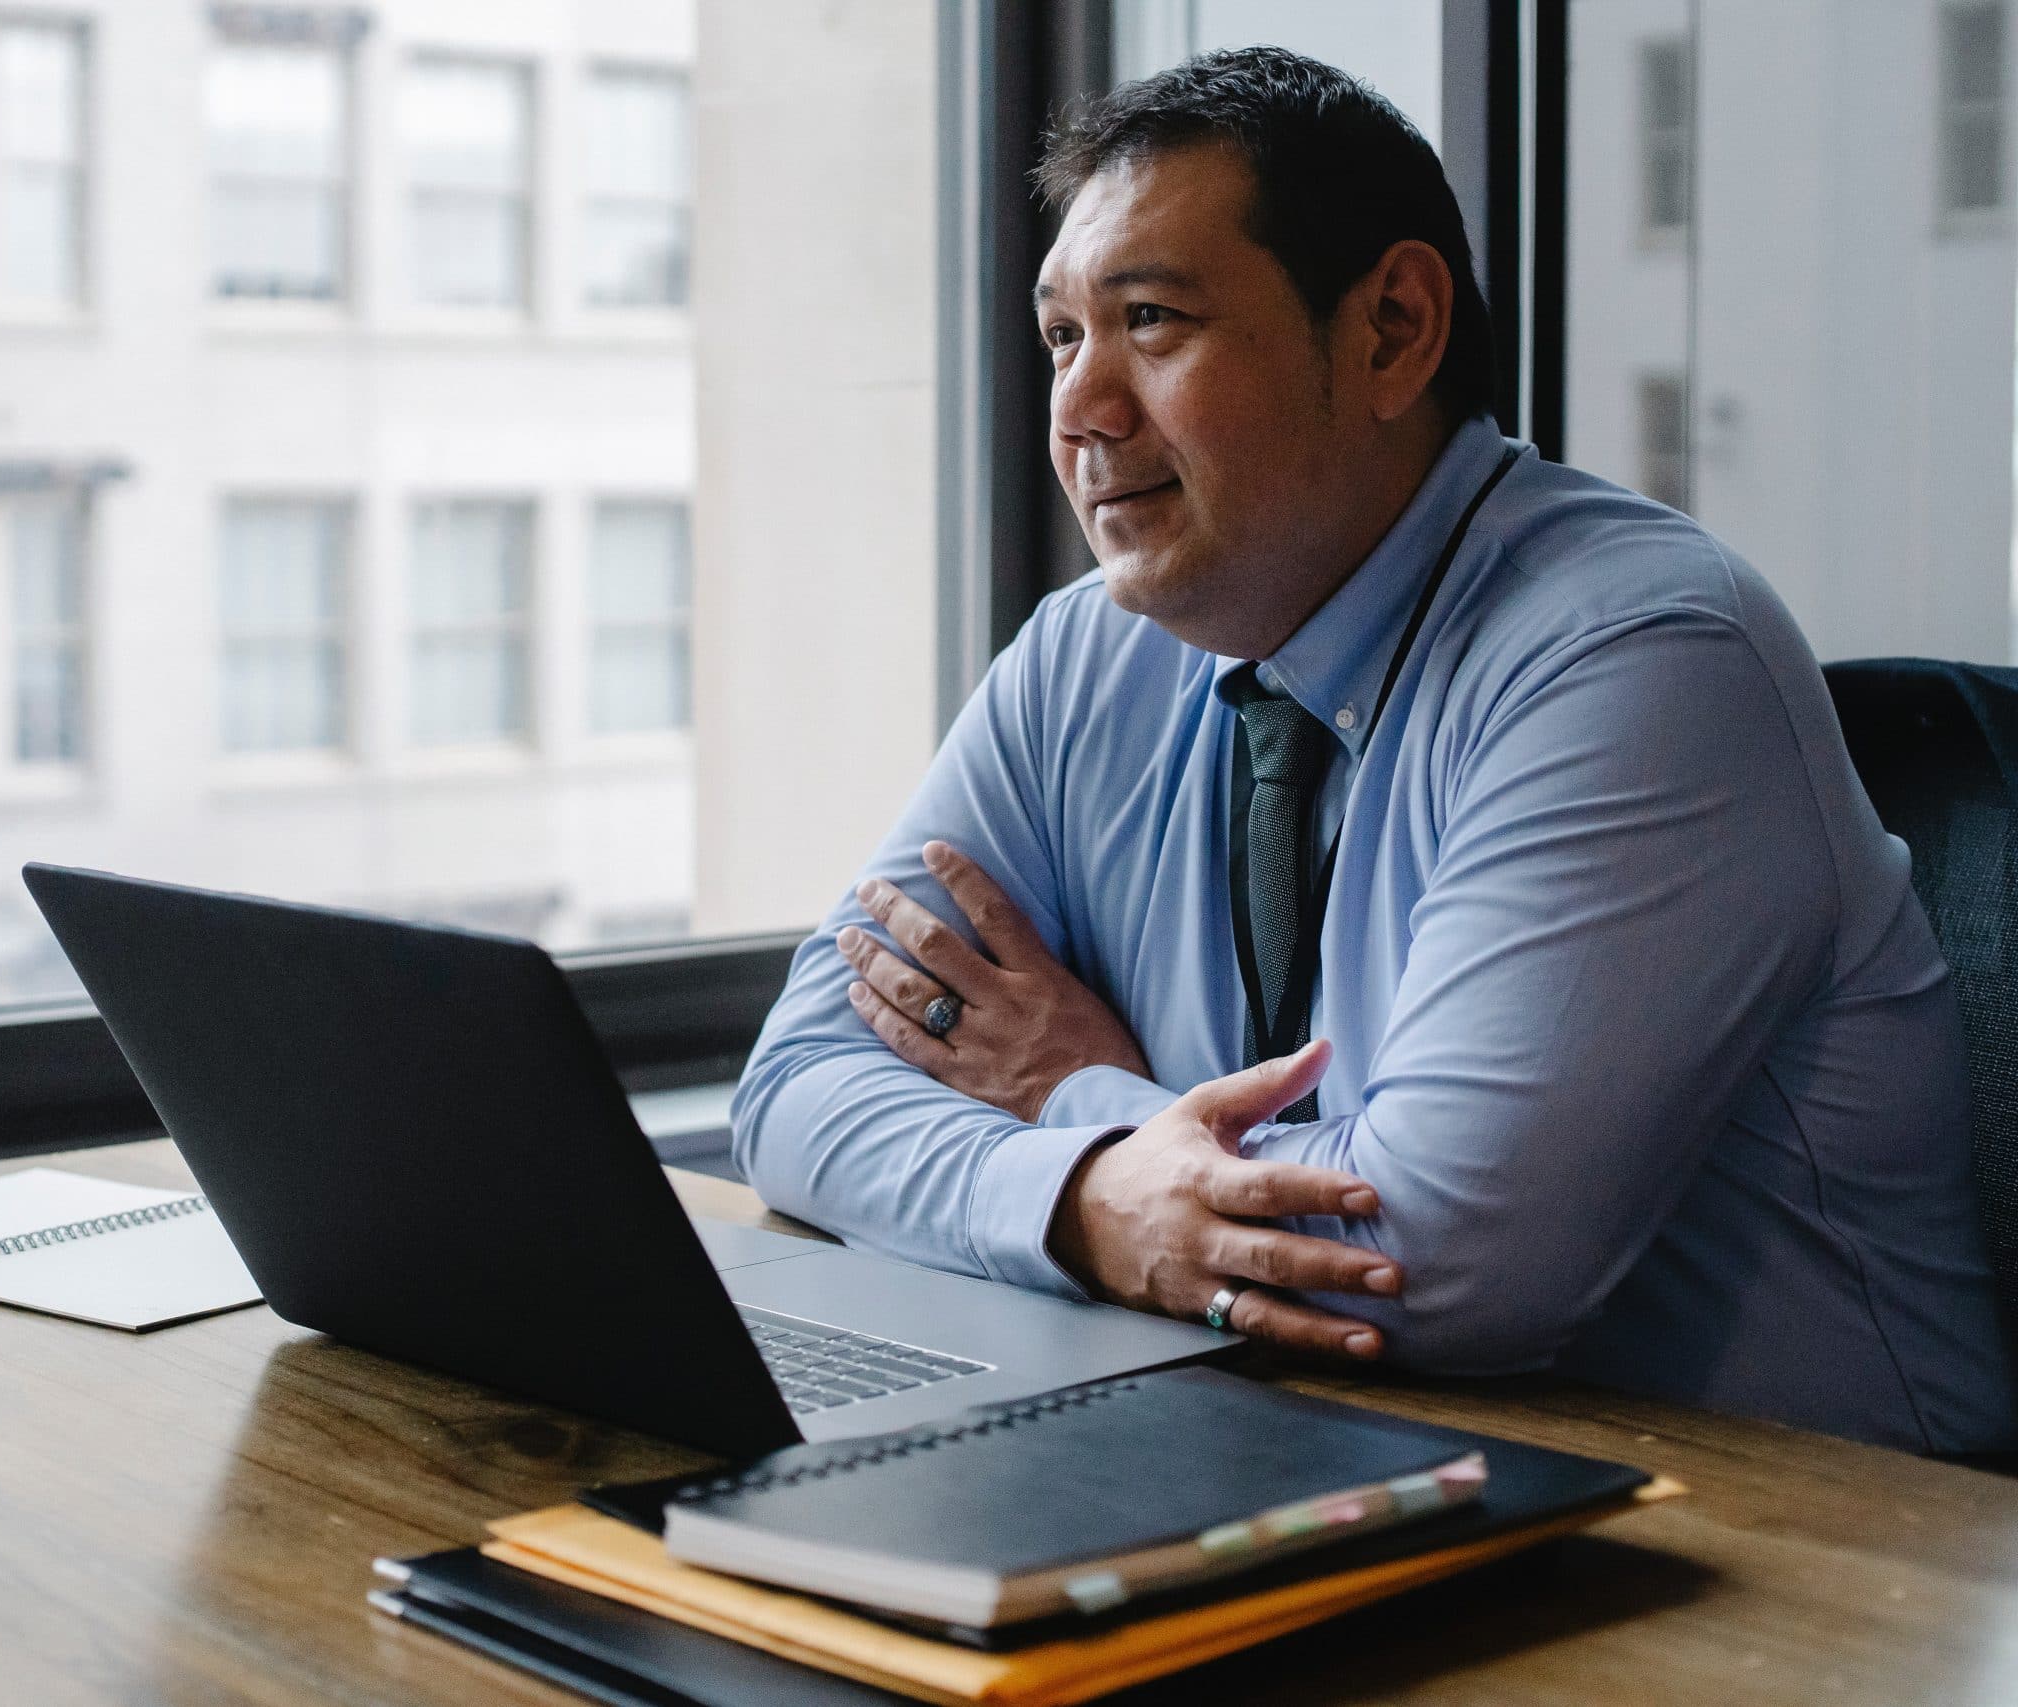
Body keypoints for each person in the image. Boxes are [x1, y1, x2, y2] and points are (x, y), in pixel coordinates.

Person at [731, 47, 2015, 1453]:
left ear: (1394, 329)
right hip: (1333, 1462)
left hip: (1808, 1566)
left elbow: (1437, 1265)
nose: (1080, 411)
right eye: (1060, 339)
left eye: (1150, 320)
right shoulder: (1079, 658)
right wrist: (1094, 1194)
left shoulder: (1643, 656)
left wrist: (1066, 1094)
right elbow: (794, 1088)